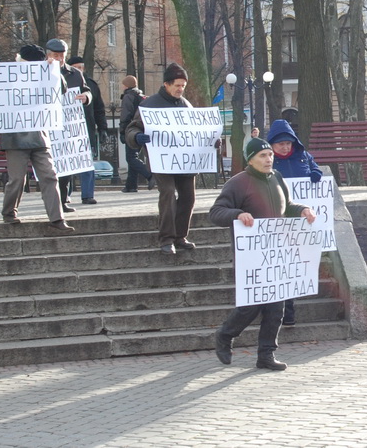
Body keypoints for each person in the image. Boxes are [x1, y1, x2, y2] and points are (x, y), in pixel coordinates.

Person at [210, 137, 317, 371]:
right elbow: (216, 212)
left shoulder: (277, 178)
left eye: (270, 154)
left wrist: (303, 210)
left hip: (276, 254)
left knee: (276, 307)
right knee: (252, 305)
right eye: (262, 155)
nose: (269, 159)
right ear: (251, 159)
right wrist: (237, 214)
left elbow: (287, 206)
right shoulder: (239, 183)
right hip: (251, 256)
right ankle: (225, 336)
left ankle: (266, 355)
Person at [0, 45, 72, 232]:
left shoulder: (46, 73)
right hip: (16, 137)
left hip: (39, 136)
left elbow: (62, 90)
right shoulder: (9, 75)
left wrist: (53, 71)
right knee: (17, 179)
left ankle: (57, 218)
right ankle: (9, 213)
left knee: (49, 176)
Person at [125, 62, 200, 255]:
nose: (181, 89)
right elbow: (132, 129)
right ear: (166, 84)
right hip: (162, 160)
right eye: (177, 85)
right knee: (167, 192)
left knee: (188, 197)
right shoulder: (149, 105)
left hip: (184, 161)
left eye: (183, 86)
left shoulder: (186, 105)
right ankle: (166, 239)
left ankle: (180, 236)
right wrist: (137, 137)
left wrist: (209, 143)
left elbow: (198, 133)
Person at [265, 118, 323, 325]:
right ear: (272, 144)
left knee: (294, 266)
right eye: (280, 143)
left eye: (288, 143)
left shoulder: (303, 156)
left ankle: (287, 311)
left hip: (302, 222)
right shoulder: (267, 161)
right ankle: (283, 312)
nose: (285, 146)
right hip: (277, 222)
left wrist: (316, 173)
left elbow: (315, 169)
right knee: (282, 266)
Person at [45, 39, 97, 209]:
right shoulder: (39, 71)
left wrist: (86, 97)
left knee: (65, 167)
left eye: (62, 55)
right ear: (48, 54)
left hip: (68, 127)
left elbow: (86, 90)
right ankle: (54, 201)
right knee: (52, 168)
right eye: (55, 55)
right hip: (48, 127)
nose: (59, 58)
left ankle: (61, 201)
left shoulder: (75, 73)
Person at [118, 75, 154, 192]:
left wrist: (123, 130)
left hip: (131, 130)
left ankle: (150, 176)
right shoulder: (141, 97)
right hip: (141, 129)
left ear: (126, 85)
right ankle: (131, 185)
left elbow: (125, 114)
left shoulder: (128, 96)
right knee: (134, 156)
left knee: (131, 157)